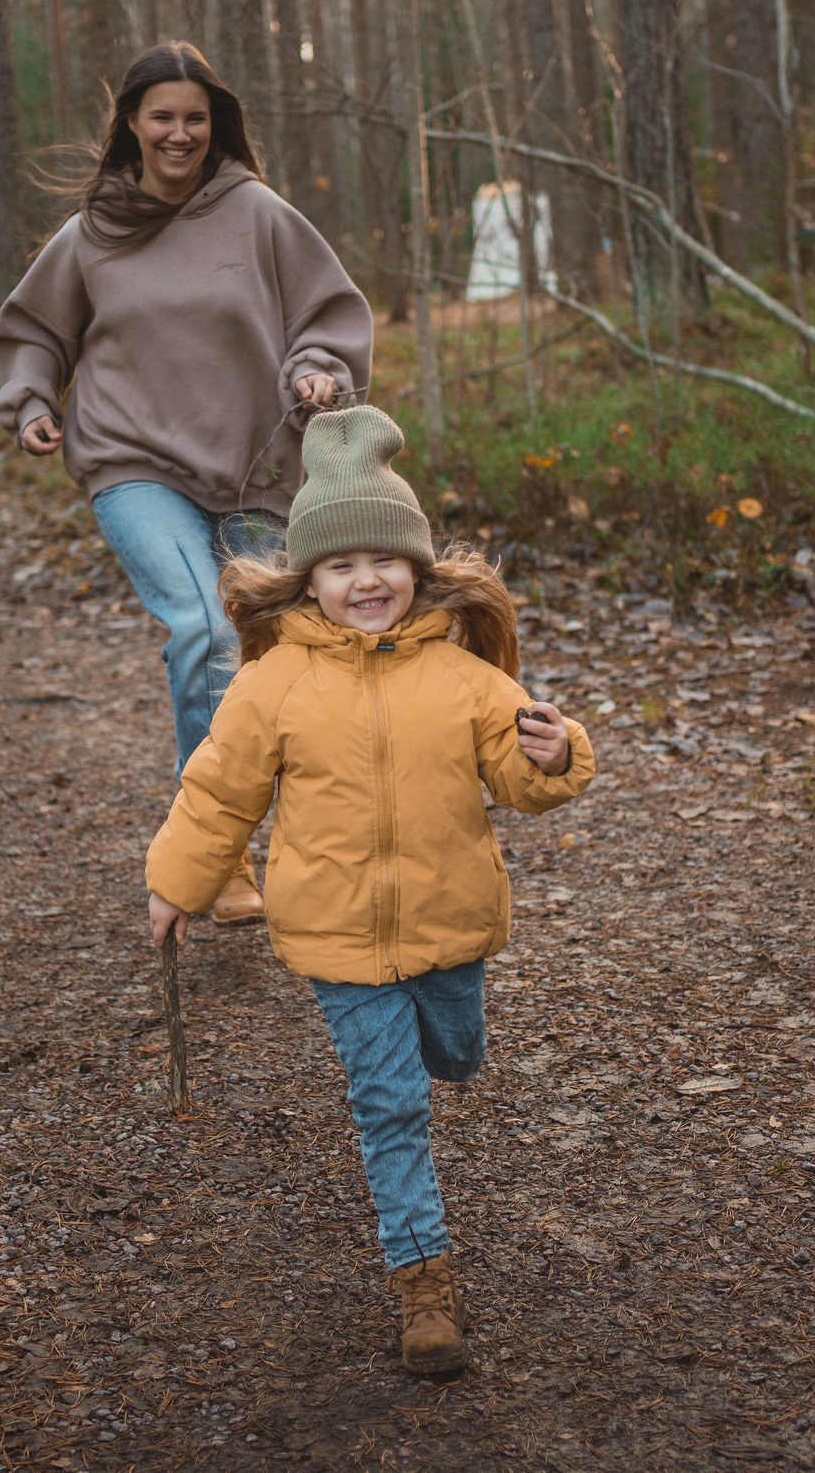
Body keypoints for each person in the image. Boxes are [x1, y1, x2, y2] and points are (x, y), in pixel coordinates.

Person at [141, 406, 594, 1375]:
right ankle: (423, 1288)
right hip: (336, 936)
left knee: (456, 1055)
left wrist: (555, 755)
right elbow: (219, 791)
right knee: (390, 1104)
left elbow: (522, 781)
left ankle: (448, 1052)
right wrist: (176, 884)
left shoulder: (467, 676)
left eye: (381, 561)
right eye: (339, 566)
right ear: (307, 579)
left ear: (416, 568)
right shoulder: (271, 687)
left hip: (451, 921)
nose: (365, 581)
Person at [0, 42, 373, 927]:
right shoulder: (93, 231)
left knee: (272, 658)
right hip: (134, 464)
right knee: (203, 622)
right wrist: (29, 402)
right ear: (130, 121)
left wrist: (318, 370)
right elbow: (36, 332)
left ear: (215, 125)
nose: (179, 133)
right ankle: (219, 849)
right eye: (161, 116)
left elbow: (325, 315)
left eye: (194, 118)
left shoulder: (260, 215)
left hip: (256, 470)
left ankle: (311, 841)